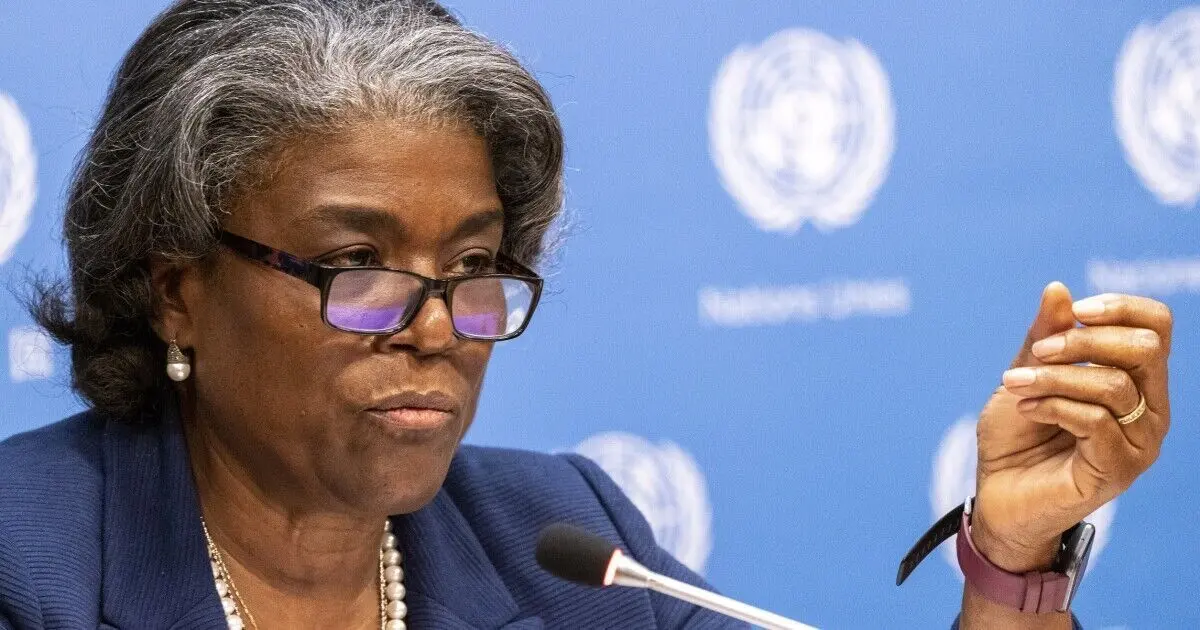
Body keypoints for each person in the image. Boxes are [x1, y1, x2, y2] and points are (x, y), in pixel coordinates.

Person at [0, 1, 1172, 629]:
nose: (437, 328)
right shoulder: (28, 565)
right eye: (358, 263)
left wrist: (1010, 562)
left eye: (473, 263)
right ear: (178, 291)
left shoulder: (561, 539)